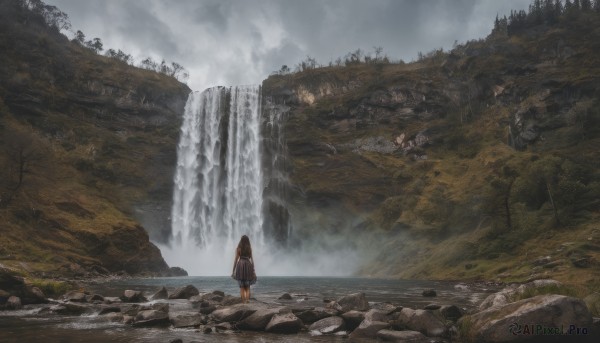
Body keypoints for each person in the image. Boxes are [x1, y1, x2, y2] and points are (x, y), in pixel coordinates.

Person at [231, 235, 257, 303]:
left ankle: (243, 302)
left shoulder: (238, 248)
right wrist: (253, 271)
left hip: (241, 265)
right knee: (247, 287)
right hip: (248, 265)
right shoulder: (249, 249)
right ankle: (247, 300)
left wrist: (233, 270)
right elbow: (252, 260)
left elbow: (236, 260)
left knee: (242, 287)